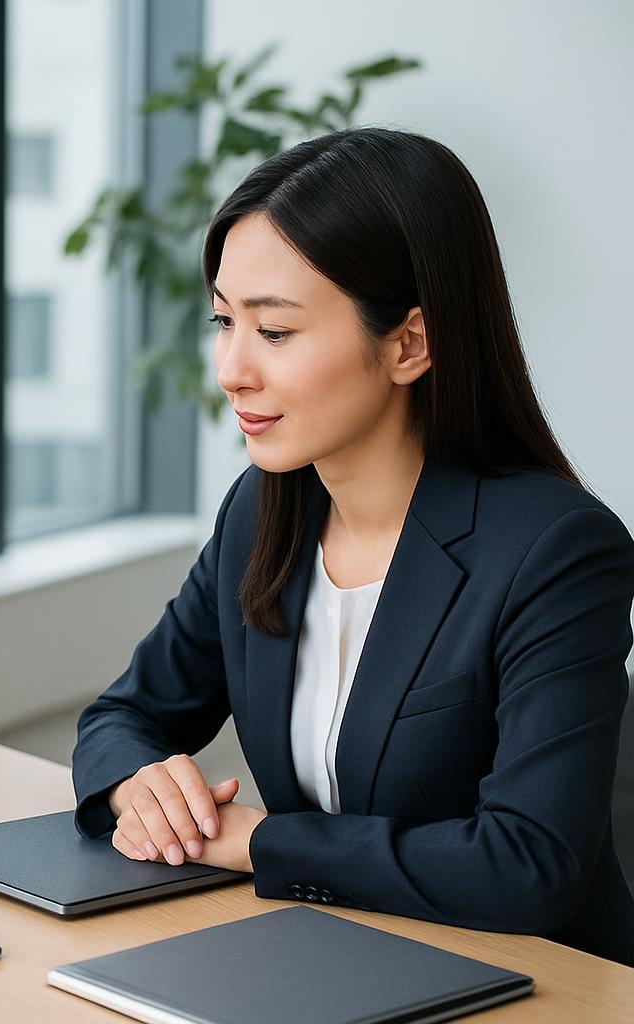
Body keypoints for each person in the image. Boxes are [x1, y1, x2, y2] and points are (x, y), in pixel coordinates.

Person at [71, 128, 634, 963]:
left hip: (533, 985)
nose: (230, 368)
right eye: (225, 321)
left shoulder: (555, 551)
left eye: (276, 331)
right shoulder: (262, 510)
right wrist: (137, 787)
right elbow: (127, 714)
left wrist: (259, 844)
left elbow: (528, 865)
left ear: (409, 343)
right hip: (335, 962)